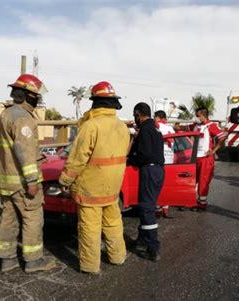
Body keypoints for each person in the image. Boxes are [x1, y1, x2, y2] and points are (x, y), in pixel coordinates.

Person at [58, 81, 130, 274]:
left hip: (91, 188)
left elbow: (77, 159)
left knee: (90, 228)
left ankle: (90, 266)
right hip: (113, 187)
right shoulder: (123, 127)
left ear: (95, 102)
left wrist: (65, 180)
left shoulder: (90, 126)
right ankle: (118, 256)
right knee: (113, 223)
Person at [0, 74, 56, 273]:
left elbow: (14, 149)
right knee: (33, 217)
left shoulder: (6, 114)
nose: (38, 99)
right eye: (36, 95)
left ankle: (7, 259)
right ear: (29, 95)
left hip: (7, 180)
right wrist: (31, 180)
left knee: (9, 218)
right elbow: (24, 150)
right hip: (22, 182)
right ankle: (33, 260)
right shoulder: (23, 118)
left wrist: (38, 156)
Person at [128, 102, 165, 262]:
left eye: (135, 116)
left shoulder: (145, 130)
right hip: (158, 170)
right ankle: (142, 241)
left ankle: (153, 247)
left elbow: (142, 155)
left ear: (138, 114)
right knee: (147, 205)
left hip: (149, 170)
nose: (134, 119)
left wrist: (129, 159)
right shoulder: (155, 128)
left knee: (146, 209)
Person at [180, 107, 226, 210]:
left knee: (203, 180)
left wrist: (214, 150)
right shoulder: (195, 126)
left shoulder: (211, 126)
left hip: (206, 157)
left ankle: (202, 203)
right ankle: (190, 201)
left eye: (198, 116)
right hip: (195, 157)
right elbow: (182, 128)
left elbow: (222, 138)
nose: (196, 118)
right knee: (192, 179)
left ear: (203, 115)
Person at [153, 110, 175, 217]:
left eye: (154, 117)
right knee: (166, 185)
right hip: (170, 159)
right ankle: (165, 208)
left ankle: (157, 209)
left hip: (159, 160)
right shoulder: (170, 128)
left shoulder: (157, 126)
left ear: (157, 117)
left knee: (157, 185)